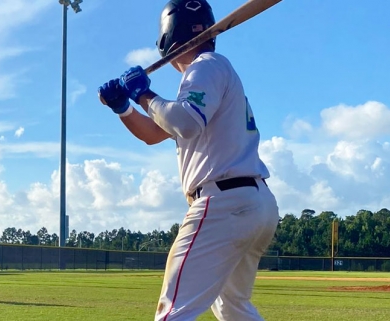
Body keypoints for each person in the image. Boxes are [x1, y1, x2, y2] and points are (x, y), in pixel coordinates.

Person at [97, 0, 279, 319]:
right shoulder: (211, 73)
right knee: (232, 305)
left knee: (173, 310)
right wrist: (124, 108)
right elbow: (157, 132)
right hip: (252, 203)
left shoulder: (205, 65)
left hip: (224, 202)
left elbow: (183, 122)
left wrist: (143, 94)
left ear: (167, 41)